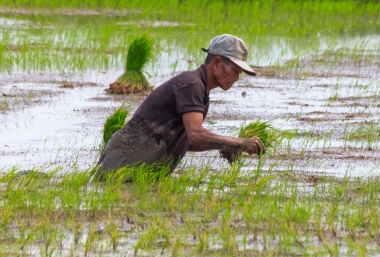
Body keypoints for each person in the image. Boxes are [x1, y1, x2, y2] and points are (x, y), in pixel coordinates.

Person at [97, 34, 265, 175]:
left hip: (137, 166)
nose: (236, 78)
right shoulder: (191, 85)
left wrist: (227, 145)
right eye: (235, 70)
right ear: (216, 63)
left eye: (239, 73)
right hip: (122, 161)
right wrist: (237, 142)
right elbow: (196, 135)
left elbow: (188, 142)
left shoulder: (201, 93)